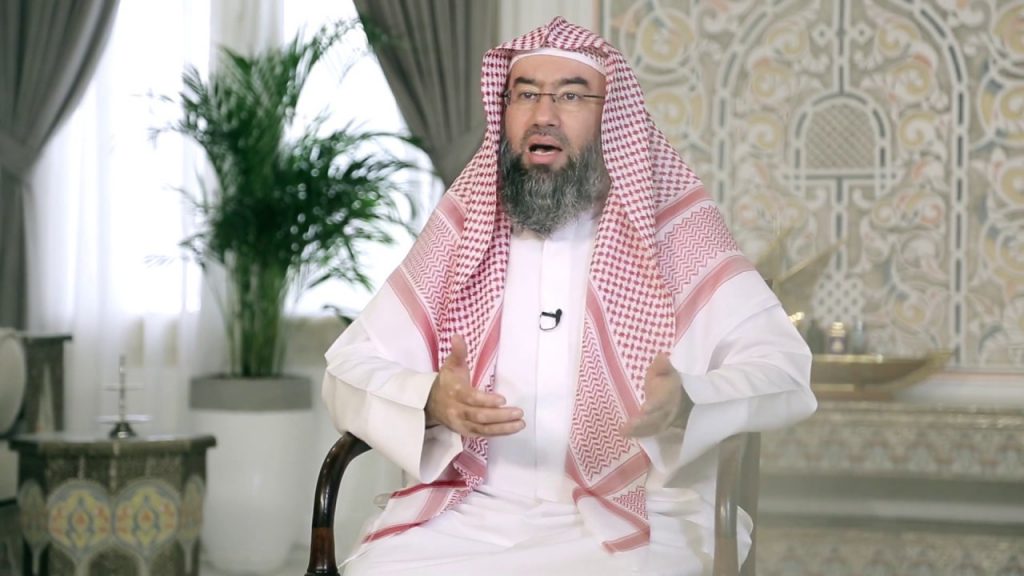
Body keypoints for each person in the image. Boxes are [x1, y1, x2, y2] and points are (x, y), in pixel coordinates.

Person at [322, 16, 816, 576]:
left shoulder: (676, 237)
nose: (544, 114)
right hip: (473, 511)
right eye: (525, 94)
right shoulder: (464, 233)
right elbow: (346, 370)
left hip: (645, 515)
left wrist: (690, 400)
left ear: (611, 118)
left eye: (571, 96)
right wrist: (429, 398)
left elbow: (786, 371)